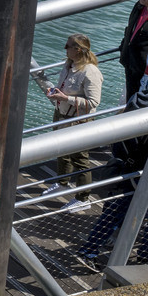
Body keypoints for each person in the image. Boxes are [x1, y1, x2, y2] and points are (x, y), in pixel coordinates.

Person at [46, 33, 104, 194]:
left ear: (78, 49)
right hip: (61, 114)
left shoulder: (90, 72)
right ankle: (62, 183)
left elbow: (93, 103)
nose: (65, 49)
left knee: (80, 158)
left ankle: (82, 199)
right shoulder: (68, 65)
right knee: (61, 151)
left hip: (77, 119)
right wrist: (56, 93)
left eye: (68, 46)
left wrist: (65, 98)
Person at [118, 0, 148, 103]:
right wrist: (123, 46)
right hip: (129, 61)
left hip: (142, 66)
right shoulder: (139, 6)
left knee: (139, 99)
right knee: (130, 96)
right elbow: (130, 28)